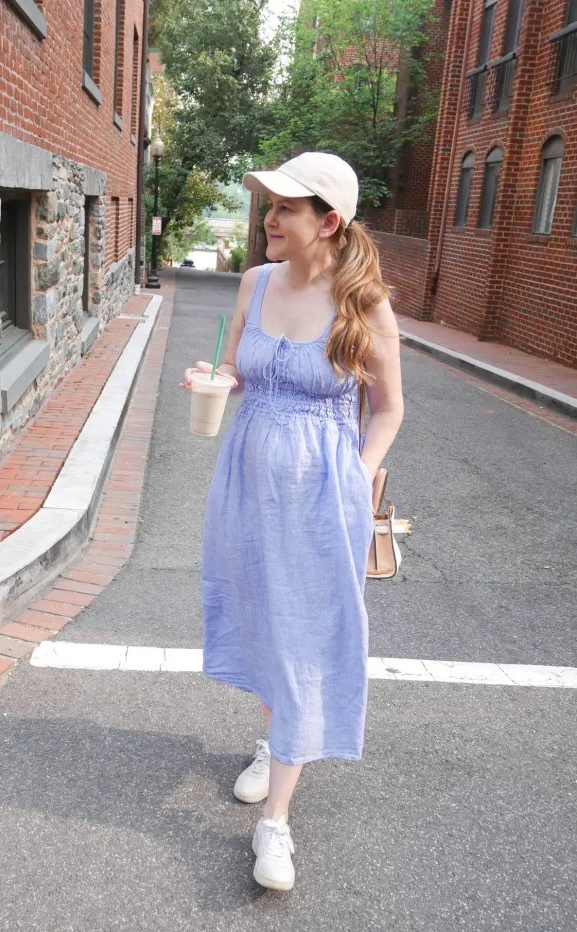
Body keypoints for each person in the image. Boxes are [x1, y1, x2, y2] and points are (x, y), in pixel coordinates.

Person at [181, 152, 404, 891]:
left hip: (321, 497)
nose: (269, 219)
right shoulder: (255, 282)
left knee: (306, 635)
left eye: (285, 208)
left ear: (328, 222)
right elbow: (242, 372)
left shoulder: (363, 305)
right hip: (246, 485)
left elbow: (388, 410)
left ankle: (275, 821)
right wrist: (215, 378)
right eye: (268, 206)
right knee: (262, 619)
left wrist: (356, 478)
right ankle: (277, 739)